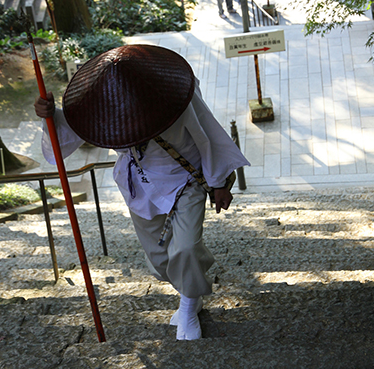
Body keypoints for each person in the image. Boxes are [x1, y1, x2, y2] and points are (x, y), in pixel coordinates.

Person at [35, 44, 250, 341]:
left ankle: (189, 304)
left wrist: (218, 183)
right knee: (160, 260)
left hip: (183, 178)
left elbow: (208, 135)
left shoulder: (175, 97)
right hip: (138, 184)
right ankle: (191, 283)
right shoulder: (104, 105)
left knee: (185, 248)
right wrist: (50, 115)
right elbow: (69, 133)